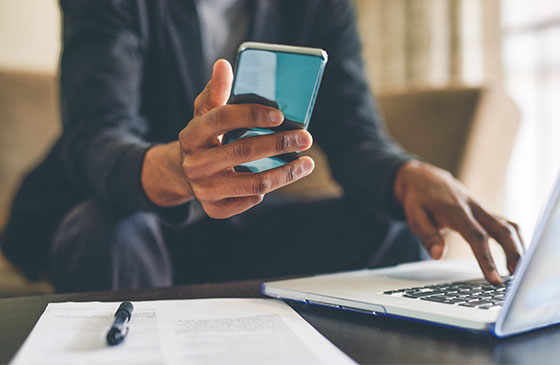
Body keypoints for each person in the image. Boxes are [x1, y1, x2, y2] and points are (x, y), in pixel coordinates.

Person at [1, 0, 524, 292]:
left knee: (390, 229)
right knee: (107, 232)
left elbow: (355, 136)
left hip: (241, 225)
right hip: (135, 214)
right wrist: (181, 171)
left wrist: (407, 173)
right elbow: (97, 133)